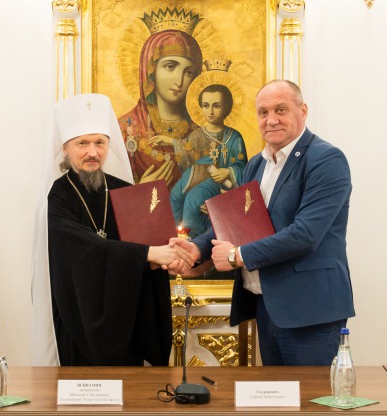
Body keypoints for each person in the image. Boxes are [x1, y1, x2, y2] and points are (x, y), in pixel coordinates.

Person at [171, 80, 355, 366]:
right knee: (277, 394)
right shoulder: (257, 164)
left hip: (310, 309)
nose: (271, 120)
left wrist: (236, 255)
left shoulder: (326, 159)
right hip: (267, 306)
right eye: (263, 112)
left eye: (281, 110)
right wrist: (196, 249)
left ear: (303, 111)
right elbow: (234, 221)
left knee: (312, 394)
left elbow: (305, 234)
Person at [33, 93, 193, 366]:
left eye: (100, 142)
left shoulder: (125, 191)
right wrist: (148, 254)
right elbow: (80, 247)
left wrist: (165, 258)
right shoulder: (57, 196)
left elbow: (151, 247)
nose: (93, 152)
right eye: (82, 143)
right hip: (77, 317)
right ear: (66, 148)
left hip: (124, 317)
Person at [118, 28, 203, 188]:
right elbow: (109, 192)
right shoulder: (125, 129)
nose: (179, 81)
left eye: (188, 72)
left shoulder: (201, 134)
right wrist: (141, 190)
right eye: (170, 66)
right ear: (150, 70)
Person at [169, 83, 247, 238]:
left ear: (226, 107)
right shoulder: (195, 135)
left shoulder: (234, 137)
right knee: (175, 195)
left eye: (216, 106)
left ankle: (194, 240)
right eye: (206, 105)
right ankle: (176, 233)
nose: (210, 111)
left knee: (193, 199)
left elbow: (243, 167)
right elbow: (186, 156)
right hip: (195, 175)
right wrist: (171, 142)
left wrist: (228, 171)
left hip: (220, 182)